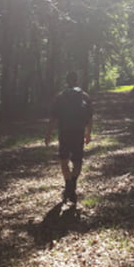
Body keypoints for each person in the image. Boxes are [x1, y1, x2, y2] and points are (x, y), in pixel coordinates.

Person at [45, 71, 93, 204]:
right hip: (78, 132)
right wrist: (88, 133)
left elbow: (53, 118)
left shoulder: (60, 97)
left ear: (66, 82)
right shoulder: (84, 96)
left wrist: (48, 134)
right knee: (77, 161)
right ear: (77, 81)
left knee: (63, 160)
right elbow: (89, 118)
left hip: (64, 132)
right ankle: (73, 183)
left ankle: (68, 184)